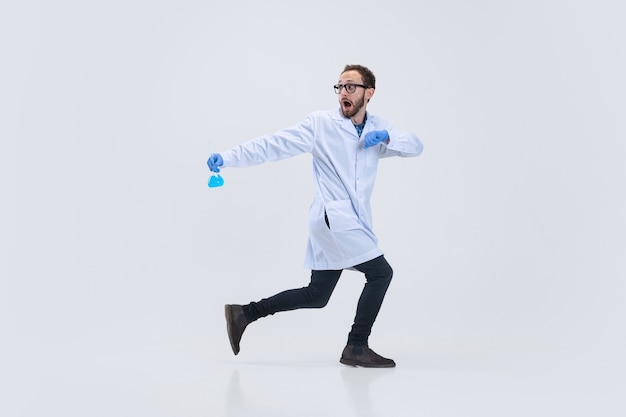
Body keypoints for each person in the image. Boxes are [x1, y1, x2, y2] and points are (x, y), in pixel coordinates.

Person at [207, 64, 423, 367]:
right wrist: (228, 158)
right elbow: (273, 144)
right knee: (381, 273)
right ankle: (357, 346)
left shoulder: (376, 129)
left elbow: (415, 146)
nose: (343, 93)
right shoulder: (321, 124)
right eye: (340, 87)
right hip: (333, 219)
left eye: (351, 87)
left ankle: (244, 313)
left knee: (317, 295)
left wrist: (387, 136)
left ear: (369, 93)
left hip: (348, 223)